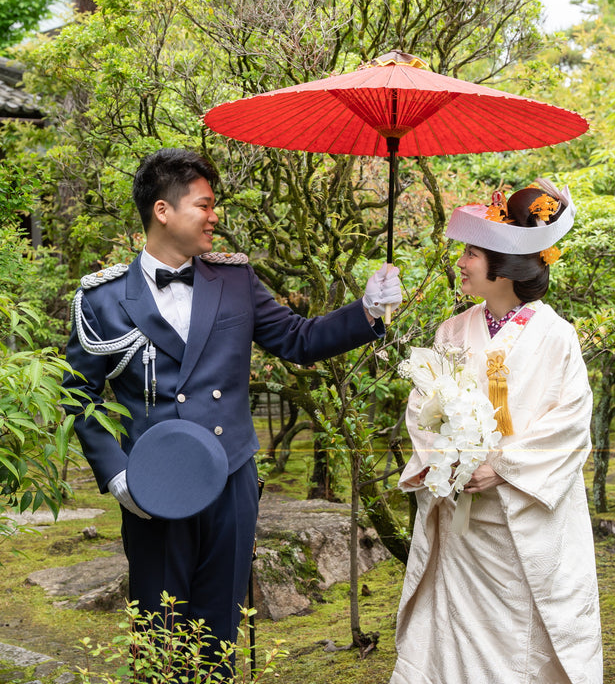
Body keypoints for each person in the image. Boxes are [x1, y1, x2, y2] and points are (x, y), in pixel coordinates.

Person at [64, 148, 402, 662]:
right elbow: (77, 397)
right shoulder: (101, 299)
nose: (214, 215)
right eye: (203, 205)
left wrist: (367, 309)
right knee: (158, 621)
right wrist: (117, 476)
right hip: (153, 484)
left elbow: (298, 339)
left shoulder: (236, 279)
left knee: (220, 618)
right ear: (163, 211)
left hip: (231, 475)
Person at [390, 180, 603, 684]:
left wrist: (501, 468)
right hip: (462, 515)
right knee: (454, 631)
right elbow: (423, 406)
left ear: (505, 264)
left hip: (526, 512)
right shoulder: (452, 331)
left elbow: (571, 423)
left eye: (470, 252)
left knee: (525, 632)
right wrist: (449, 463)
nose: (460, 263)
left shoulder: (557, 335)